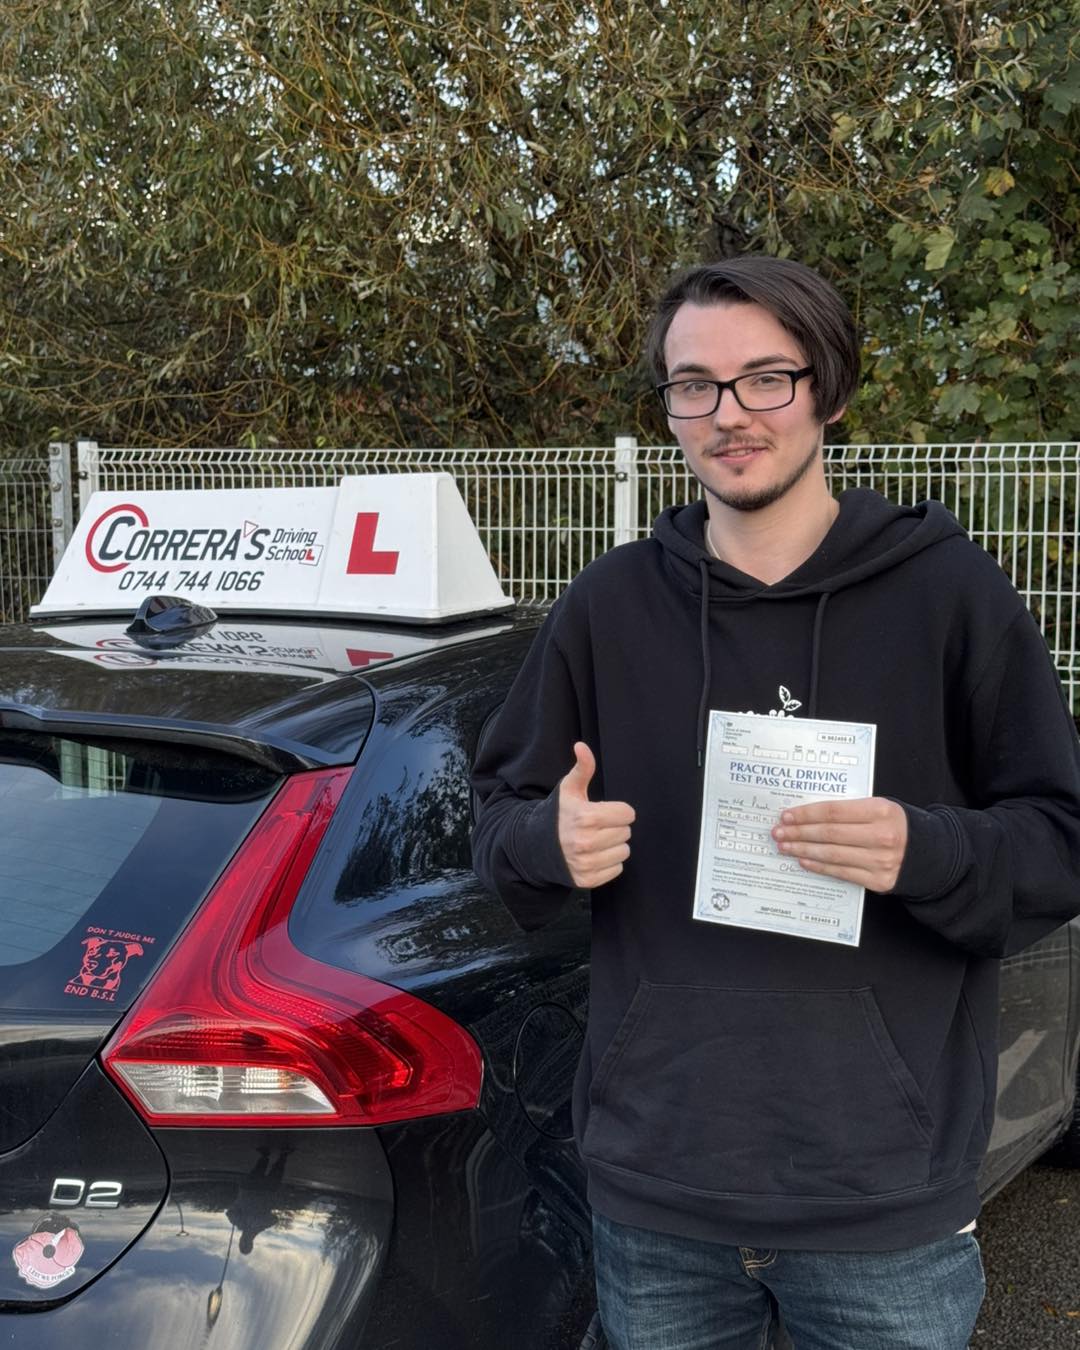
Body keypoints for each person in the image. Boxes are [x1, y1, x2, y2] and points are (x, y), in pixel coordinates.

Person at [470, 256, 1080, 1350]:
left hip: (879, 1196)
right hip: (659, 1187)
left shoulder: (950, 596)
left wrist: (923, 849)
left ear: (831, 390)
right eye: (693, 385)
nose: (729, 414)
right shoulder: (609, 609)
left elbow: (1059, 842)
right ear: (668, 409)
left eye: (767, 379)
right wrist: (544, 840)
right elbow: (500, 821)